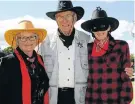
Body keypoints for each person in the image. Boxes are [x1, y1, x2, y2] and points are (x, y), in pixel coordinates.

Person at [81, 7, 133, 104]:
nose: (100, 31)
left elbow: (126, 78)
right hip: (93, 100)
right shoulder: (87, 48)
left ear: (109, 27)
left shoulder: (121, 46)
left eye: (103, 26)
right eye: (95, 27)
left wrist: (124, 101)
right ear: (92, 30)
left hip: (114, 100)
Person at [0, 20, 49, 104]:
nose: (28, 41)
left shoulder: (40, 60)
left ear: (36, 39)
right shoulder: (7, 62)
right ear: (17, 40)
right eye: (23, 37)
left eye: (32, 37)